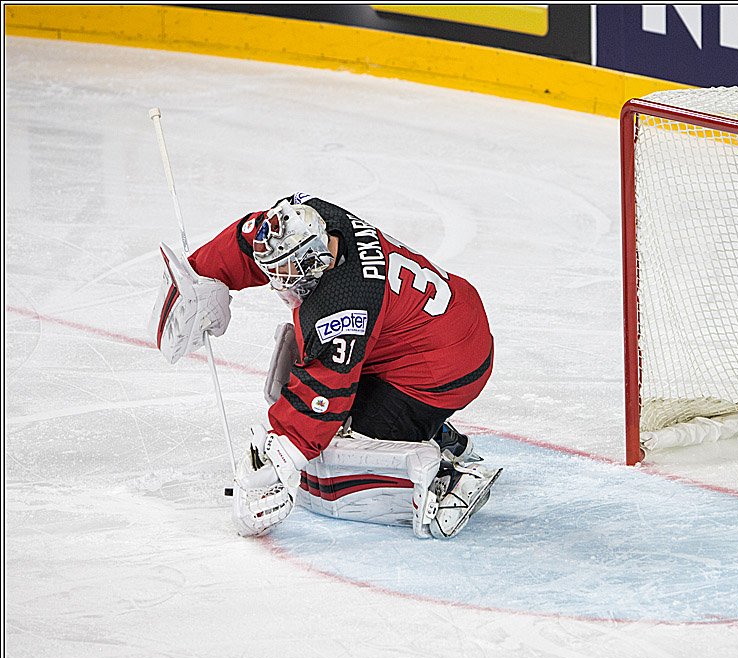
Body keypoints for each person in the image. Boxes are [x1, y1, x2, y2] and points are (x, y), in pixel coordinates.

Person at [149, 192, 500, 539]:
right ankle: (428, 430)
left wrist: (277, 458)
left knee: (340, 457)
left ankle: (448, 478)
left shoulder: (343, 305)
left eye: (287, 272)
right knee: (298, 376)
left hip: (445, 366)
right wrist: (203, 274)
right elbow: (252, 236)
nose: (277, 281)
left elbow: (322, 398)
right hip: (443, 320)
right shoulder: (309, 218)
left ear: (313, 261)